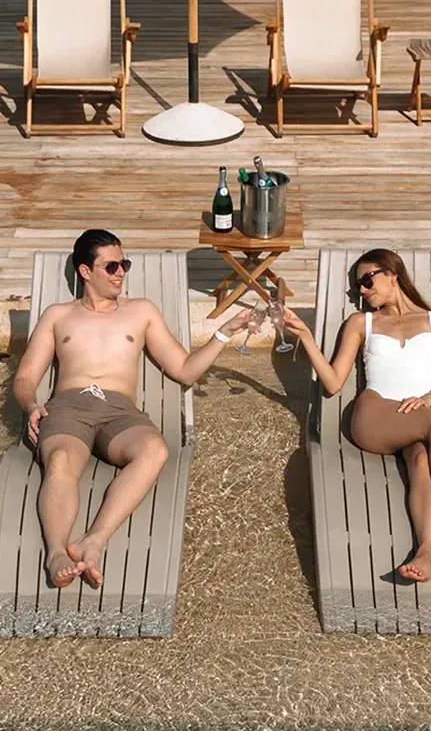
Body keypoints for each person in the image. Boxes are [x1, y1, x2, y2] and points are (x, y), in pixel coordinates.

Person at [13, 229, 252, 590]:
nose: (120, 273)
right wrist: (31, 404)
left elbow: (184, 370)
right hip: (69, 407)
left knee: (155, 451)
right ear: (85, 272)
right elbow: (26, 377)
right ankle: (57, 553)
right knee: (61, 460)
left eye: (124, 264)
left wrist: (223, 333)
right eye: (111, 266)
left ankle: (94, 540)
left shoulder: (140, 312)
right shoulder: (59, 315)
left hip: (119, 412)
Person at [281, 248, 431, 581]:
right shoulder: (361, 323)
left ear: (392, 273)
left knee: (421, 461)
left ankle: (425, 550)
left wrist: (428, 398)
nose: (363, 291)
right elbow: (334, 383)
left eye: (368, 280)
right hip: (375, 416)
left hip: (417, 418)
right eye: (358, 287)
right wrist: (306, 337)